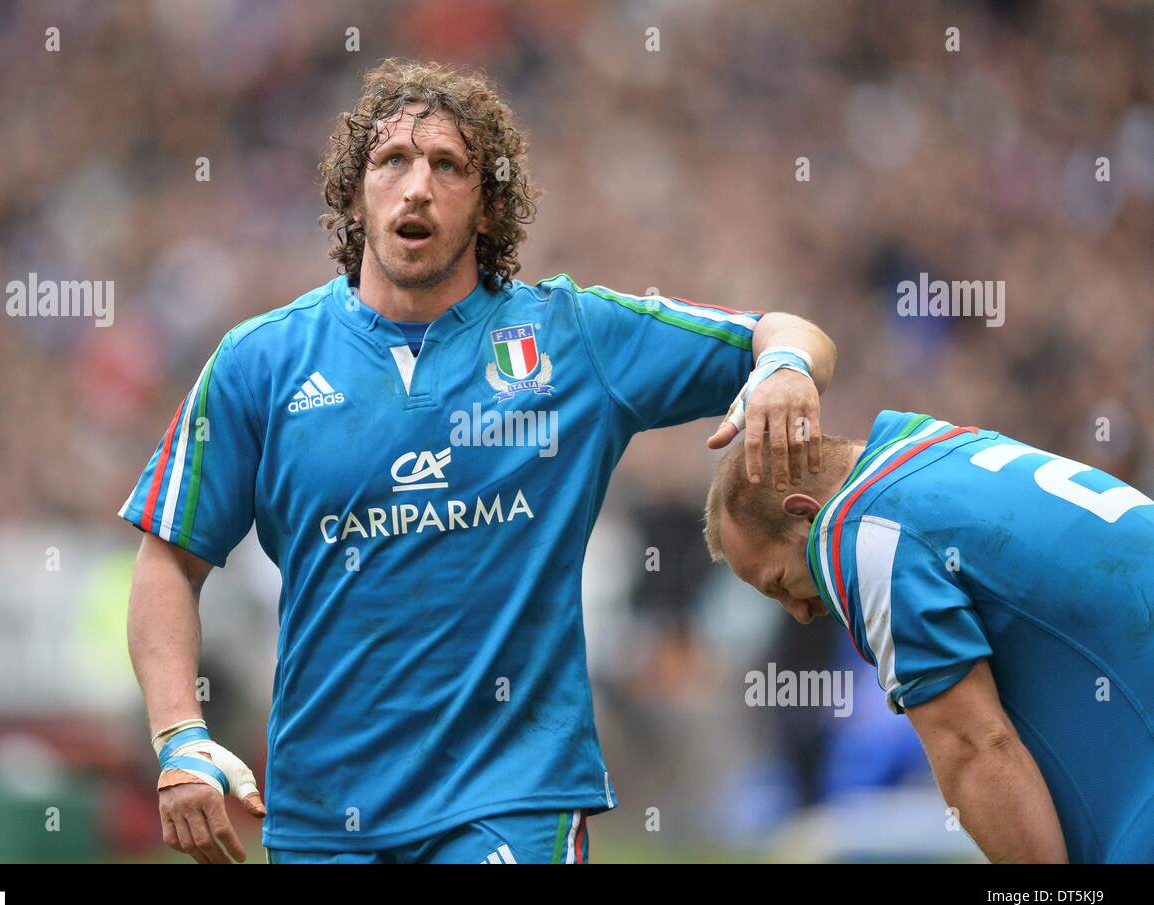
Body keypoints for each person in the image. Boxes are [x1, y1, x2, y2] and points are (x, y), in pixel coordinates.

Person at [121, 58, 835, 864]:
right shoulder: (261, 364)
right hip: (323, 815)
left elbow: (788, 331)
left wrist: (785, 369)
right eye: (391, 161)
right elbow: (168, 561)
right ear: (356, 197)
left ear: (490, 207)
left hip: (510, 805)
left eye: (448, 165)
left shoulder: (573, 340)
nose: (416, 186)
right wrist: (180, 736)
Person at [704, 409, 1154, 862]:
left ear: (805, 515)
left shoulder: (868, 531)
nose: (799, 613)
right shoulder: (933, 446)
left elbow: (974, 748)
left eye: (780, 583)